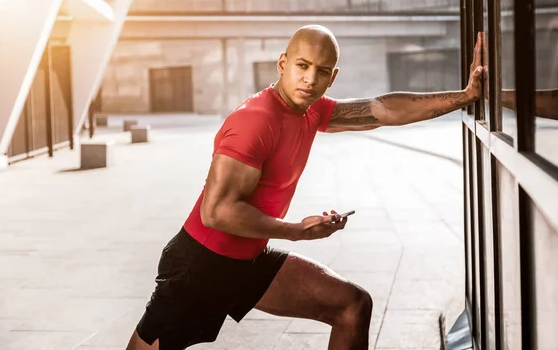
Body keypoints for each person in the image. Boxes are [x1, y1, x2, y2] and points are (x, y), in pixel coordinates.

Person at [126, 25, 484, 350]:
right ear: (282, 63)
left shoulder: (312, 110)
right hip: (199, 266)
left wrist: (464, 96)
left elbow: (382, 110)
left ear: (333, 76)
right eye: (302, 65)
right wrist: (296, 231)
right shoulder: (254, 121)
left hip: (247, 260)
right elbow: (217, 212)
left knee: (351, 307)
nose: (310, 79)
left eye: (322, 71)